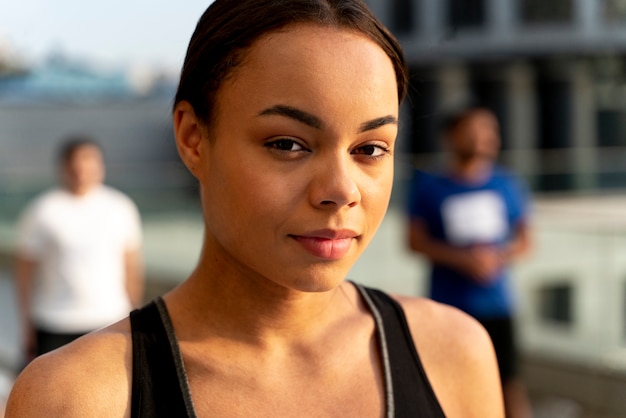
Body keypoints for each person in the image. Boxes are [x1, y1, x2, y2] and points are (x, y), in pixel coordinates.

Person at [7, 1, 504, 416]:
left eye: (370, 149)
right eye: (288, 144)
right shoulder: (77, 398)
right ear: (192, 137)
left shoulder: (455, 355)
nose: (340, 190)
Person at [407, 106, 533, 417]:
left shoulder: (507, 184)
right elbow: (414, 241)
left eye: (489, 130)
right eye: (473, 129)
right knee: (445, 383)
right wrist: (461, 259)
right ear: (452, 136)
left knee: (508, 384)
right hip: (449, 305)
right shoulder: (430, 186)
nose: (482, 138)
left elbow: (525, 239)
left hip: (497, 305)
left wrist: (496, 257)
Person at [12, 137, 144, 362]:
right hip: (55, 320)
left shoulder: (121, 207)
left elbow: (131, 265)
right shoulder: (42, 210)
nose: (82, 169)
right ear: (64, 166)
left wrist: (137, 315)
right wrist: (26, 326)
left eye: (90, 161)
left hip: (109, 318)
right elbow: (25, 274)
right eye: (76, 162)